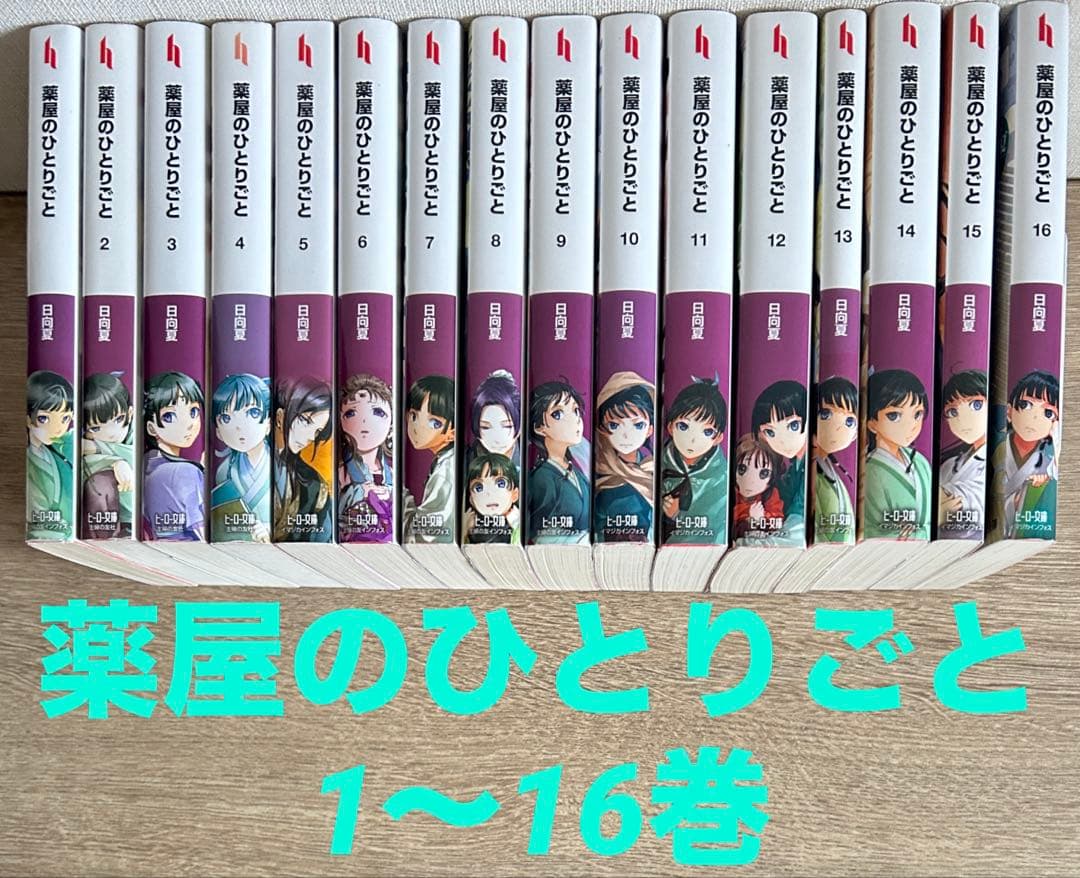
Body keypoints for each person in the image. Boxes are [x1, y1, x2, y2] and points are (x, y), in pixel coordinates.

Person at [862, 369, 932, 540]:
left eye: (917, 414)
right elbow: (875, 530)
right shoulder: (870, 470)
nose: (910, 425)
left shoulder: (920, 462)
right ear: (872, 423)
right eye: (894, 416)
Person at [660, 378, 728, 542]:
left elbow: (717, 528)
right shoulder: (657, 463)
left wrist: (677, 516)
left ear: (718, 438)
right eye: (683, 426)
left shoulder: (721, 477)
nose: (692, 440)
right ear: (670, 427)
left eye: (707, 432)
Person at [994, 369, 1059, 539]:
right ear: (1009, 412)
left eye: (1048, 413)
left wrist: (1035, 490)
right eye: (1026, 405)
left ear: (1055, 424)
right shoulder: (994, 449)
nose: (1034, 418)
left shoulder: (1051, 462)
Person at [143, 371, 205, 541]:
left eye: (193, 412)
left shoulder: (147, 465)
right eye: (169, 416)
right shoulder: (185, 472)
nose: (188, 424)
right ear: (151, 427)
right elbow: (201, 531)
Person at [593, 371, 655, 542]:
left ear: (650, 429)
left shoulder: (652, 470)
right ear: (602, 428)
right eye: (614, 425)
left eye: (638, 425)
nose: (626, 436)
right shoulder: (598, 470)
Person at [527, 378, 589, 542]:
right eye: (558, 414)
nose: (575, 420)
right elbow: (539, 534)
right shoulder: (541, 478)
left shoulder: (576, 472)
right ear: (539, 427)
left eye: (575, 411)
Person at [212, 373, 272, 542]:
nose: (239, 427)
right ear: (218, 431)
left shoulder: (282, 467)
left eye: (253, 413)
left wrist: (271, 529)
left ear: (269, 423)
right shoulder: (224, 470)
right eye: (226, 418)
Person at [273, 377, 333, 542]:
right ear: (280, 416)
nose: (310, 437)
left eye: (317, 431)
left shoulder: (314, 484)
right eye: (305, 421)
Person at [338, 373, 394, 542]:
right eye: (351, 413)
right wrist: (360, 492)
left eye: (378, 412)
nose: (365, 421)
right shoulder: (342, 471)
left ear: (392, 424)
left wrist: (389, 493)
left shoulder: (391, 472)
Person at [81, 372, 135, 539]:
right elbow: (83, 464)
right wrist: (115, 461)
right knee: (99, 482)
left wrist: (99, 447)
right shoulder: (82, 445)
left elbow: (137, 458)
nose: (111, 433)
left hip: (139, 518)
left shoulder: (136, 435)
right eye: (96, 428)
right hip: (108, 524)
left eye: (118, 419)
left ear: (130, 413)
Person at [402, 375, 455, 542]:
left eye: (434, 423)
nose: (418, 427)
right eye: (414, 416)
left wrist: (400, 496)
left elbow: (426, 536)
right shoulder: (445, 461)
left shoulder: (446, 471)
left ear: (453, 432)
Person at [752, 379, 808, 540]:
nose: (782, 441)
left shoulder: (813, 466)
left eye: (793, 426)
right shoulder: (795, 467)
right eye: (770, 432)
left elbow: (798, 518)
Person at [937, 369, 988, 538]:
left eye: (976, 405)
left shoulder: (999, 459)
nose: (963, 419)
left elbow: (967, 501)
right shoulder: (948, 465)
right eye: (952, 412)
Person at [26, 370, 74, 539]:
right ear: (28, 419)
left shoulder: (61, 445)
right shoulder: (30, 461)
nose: (57, 429)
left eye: (65, 419)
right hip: (49, 533)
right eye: (44, 419)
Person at [812, 376, 858, 543]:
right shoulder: (808, 471)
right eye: (825, 414)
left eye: (849, 421)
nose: (837, 428)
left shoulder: (829, 467)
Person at [732, 433, 784, 542]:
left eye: (763, 473)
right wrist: (749, 520)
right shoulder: (730, 494)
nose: (751, 480)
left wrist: (761, 518)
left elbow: (777, 522)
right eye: (742, 469)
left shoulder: (770, 495)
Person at [463, 452, 520, 543]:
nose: (489, 493)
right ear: (471, 499)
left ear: (515, 494)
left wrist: (518, 527)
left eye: (501, 484)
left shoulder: (518, 523)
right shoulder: (467, 525)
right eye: (479, 487)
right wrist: (463, 531)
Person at [469, 369, 521, 468]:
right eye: (485, 427)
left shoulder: (532, 460)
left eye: (506, 426)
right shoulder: (465, 462)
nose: (497, 439)